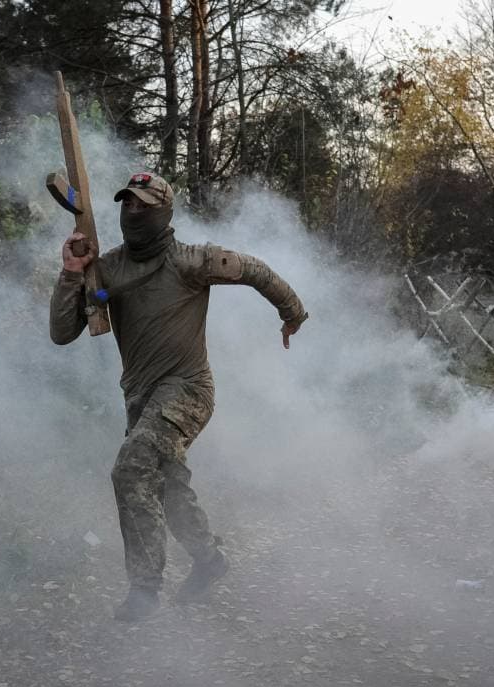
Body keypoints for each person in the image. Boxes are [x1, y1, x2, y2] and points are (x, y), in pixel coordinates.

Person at [50, 172, 308, 622]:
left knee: (131, 468)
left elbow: (254, 270)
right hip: (140, 398)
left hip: (187, 390)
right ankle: (210, 560)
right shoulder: (105, 269)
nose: (134, 212)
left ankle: (144, 590)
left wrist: (293, 314)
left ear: (164, 213)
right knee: (167, 489)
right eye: (127, 204)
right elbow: (61, 332)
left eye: (144, 205)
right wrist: (72, 273)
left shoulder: (191, 261)